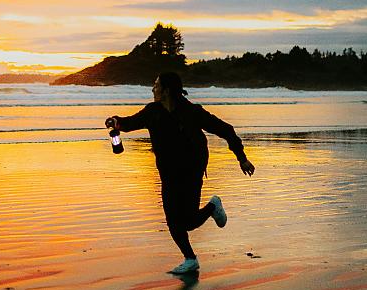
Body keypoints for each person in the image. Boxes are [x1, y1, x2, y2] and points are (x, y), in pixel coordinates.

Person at [105, 71, 255, 275]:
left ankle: (213, 206)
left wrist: (241, 157)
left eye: (156, 85)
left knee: (189, 220)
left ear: (166, 90)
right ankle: (190, 259)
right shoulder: (152, 111)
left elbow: (225, 129)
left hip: (191, 168)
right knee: (172, 221)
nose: (153, 88)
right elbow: (130, 123)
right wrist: (115, 122)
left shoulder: (191, 112)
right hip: (168, 171)